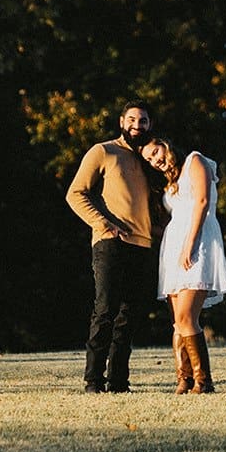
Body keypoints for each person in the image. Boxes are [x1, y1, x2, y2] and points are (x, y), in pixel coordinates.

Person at [66, 102, 157, 393]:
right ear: (121, 121)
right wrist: (103, 224)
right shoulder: (103, 151)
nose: (137, 125)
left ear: (149, 125)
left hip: (142, 246)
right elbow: (75, 194)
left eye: (142, 121)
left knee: (128, 316)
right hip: (110, 243)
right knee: (105, 310)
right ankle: (94, 380)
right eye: (132, 119)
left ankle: (119, 381)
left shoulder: (149, 159)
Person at [141, 137, 226, 394]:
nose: (155, 160)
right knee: (176, 320)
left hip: (198, 241)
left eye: (156, 152)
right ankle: (184, 379)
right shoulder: (170, 181)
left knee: (186, 316)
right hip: (173, 248)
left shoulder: (195, 160)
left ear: (166, 145)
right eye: (149, 159)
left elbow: (202, 203)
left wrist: (189, 245)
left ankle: (204, 381)